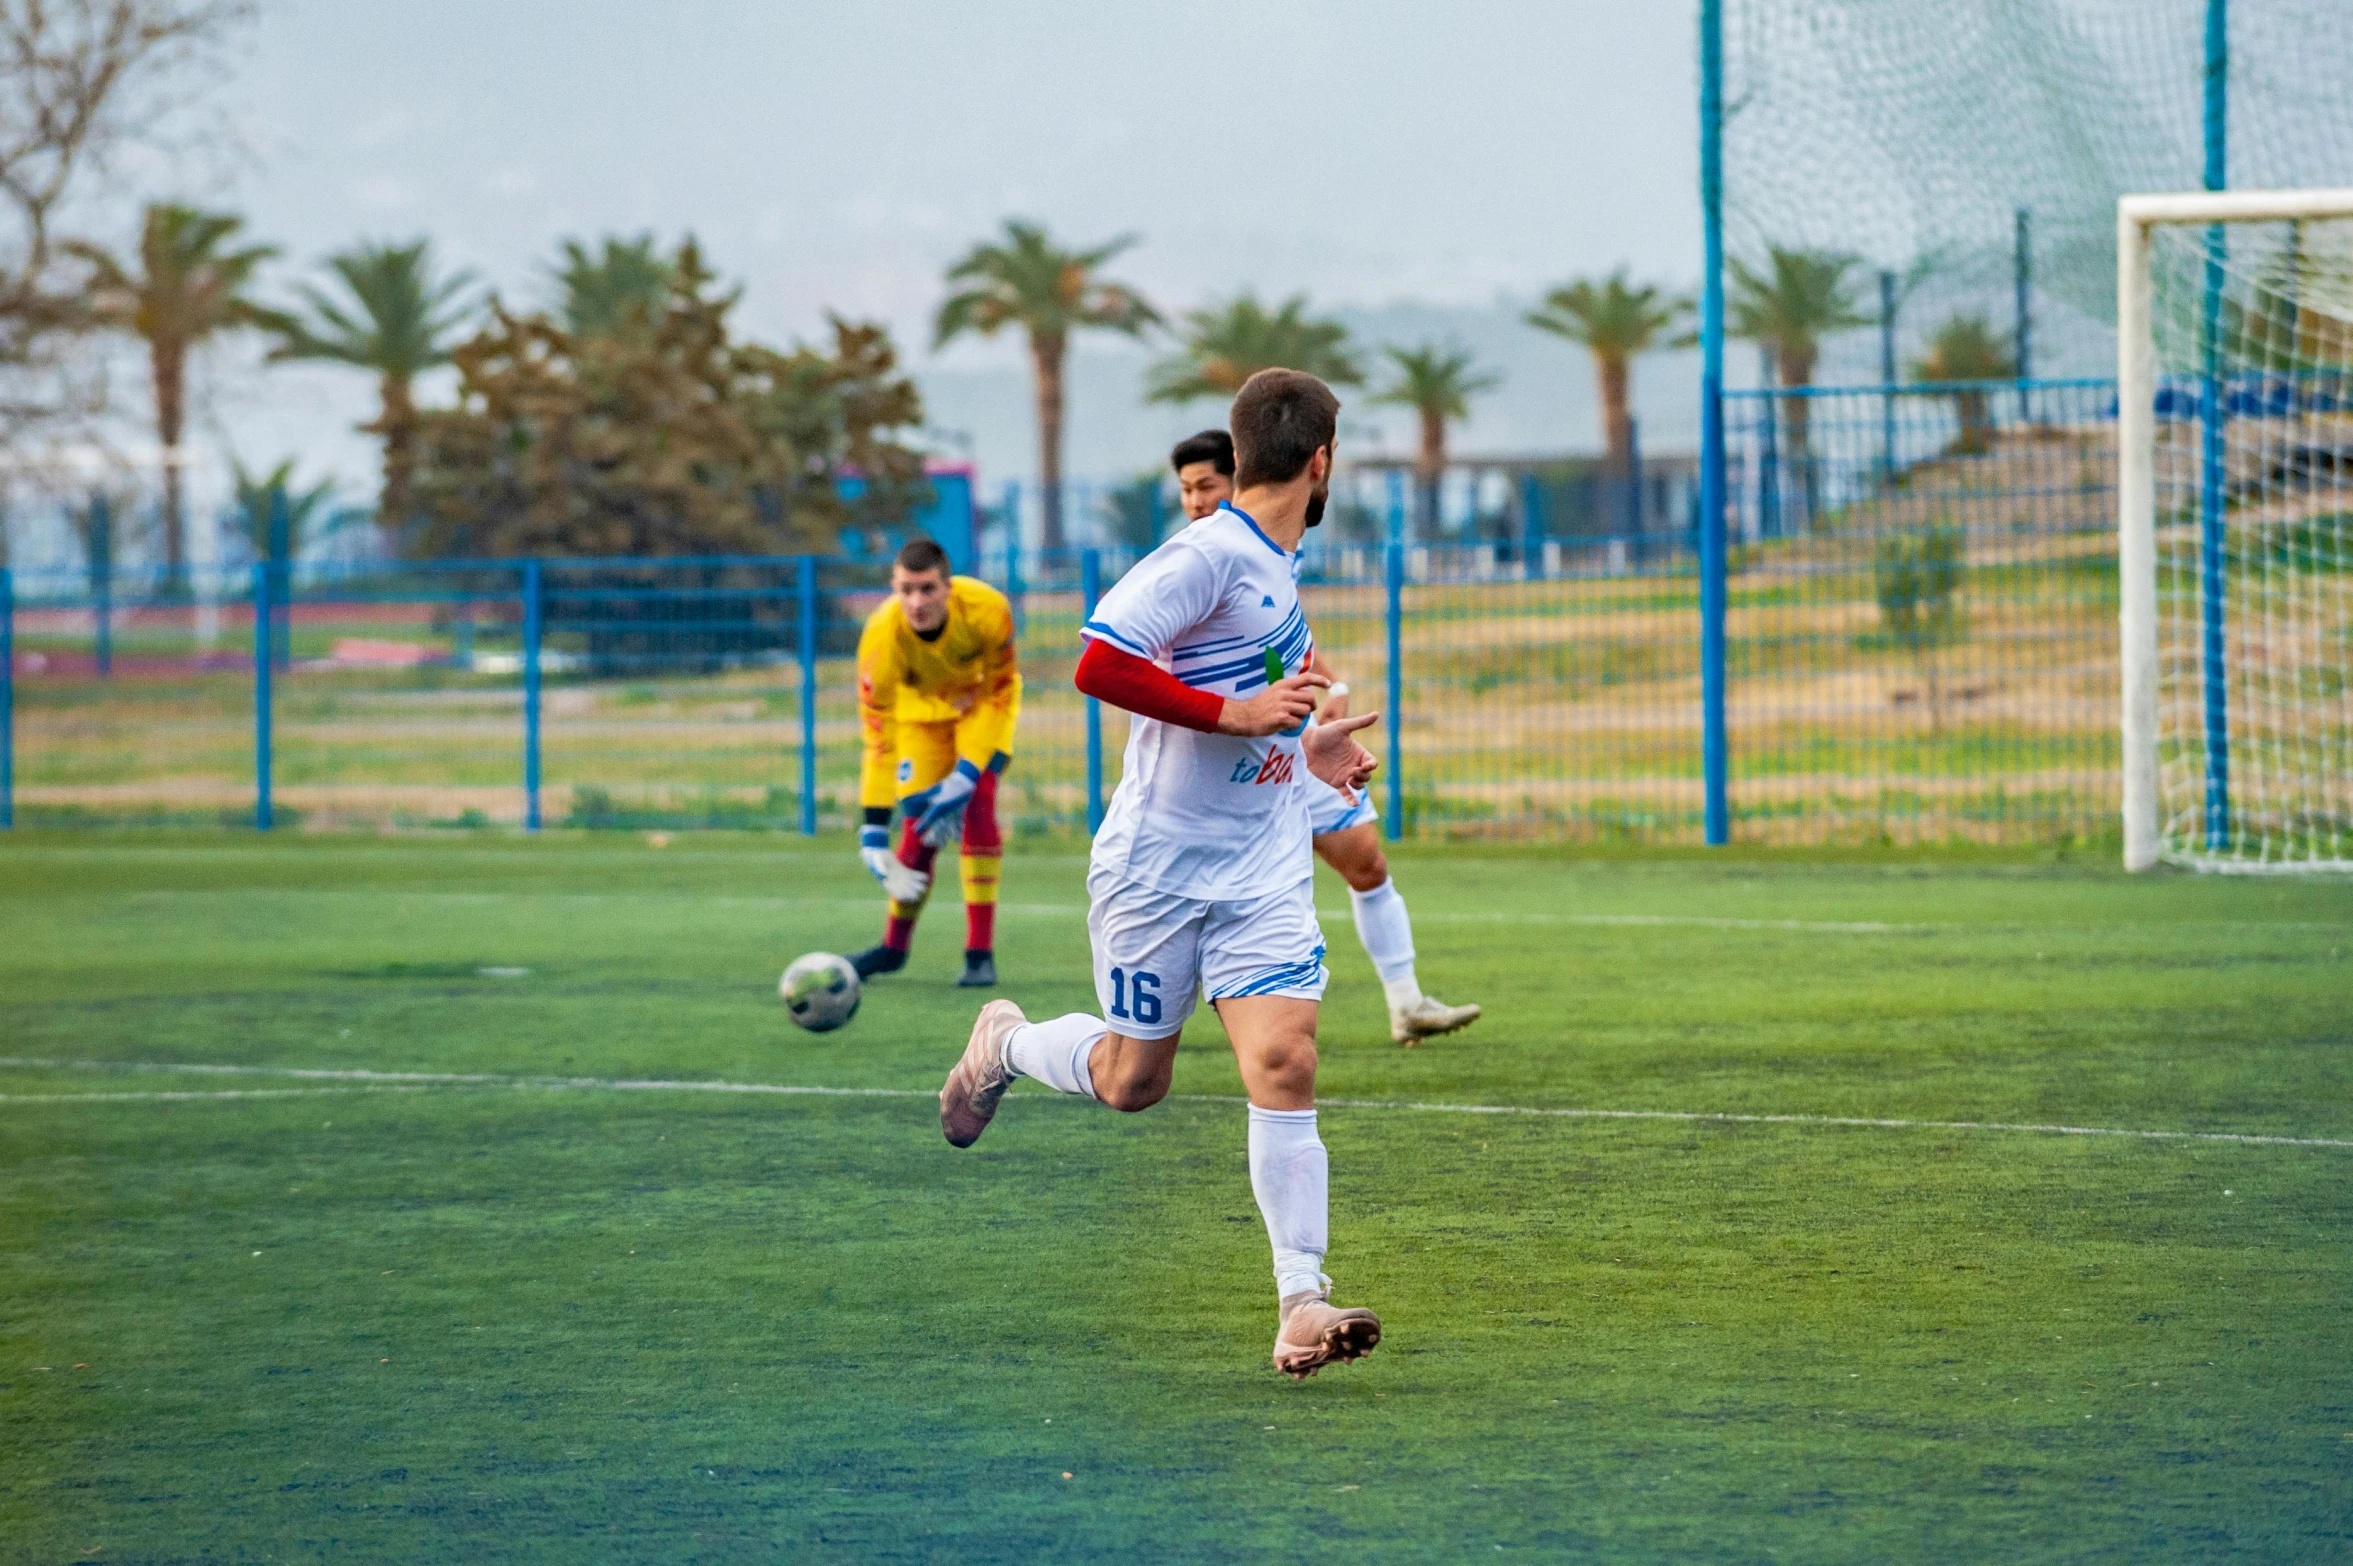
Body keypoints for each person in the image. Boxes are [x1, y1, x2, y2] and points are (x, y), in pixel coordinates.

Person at [939, 370, 1386, 1380]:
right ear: (1321, 464)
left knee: (1285, 1060)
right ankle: (1005, 1044)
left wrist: (1307, 758)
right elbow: (1098, 660)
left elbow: (1265, 703)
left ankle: (1299, 1301)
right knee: (1133, 1081)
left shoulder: (1277, 565)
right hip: (1158, 872)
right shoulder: (1207, 554)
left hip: (1261, 871)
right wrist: (1234, 718)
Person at [1169, 428, 1481, 1046]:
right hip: (1224, 762)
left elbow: (1280, 639)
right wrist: (1235, 712)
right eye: (1185, 490)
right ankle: (1185, 1017)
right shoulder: (1193, 562)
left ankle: (1406, 1002)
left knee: (1365, 862)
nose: (1196, 500)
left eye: (1206, 485)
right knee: (1223, 893)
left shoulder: (1274, 551)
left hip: (1290, 743)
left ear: (1239, 480)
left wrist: (1328, 690)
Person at [847, 538, 1021, 988]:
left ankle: (979, 953)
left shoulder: (987, 609)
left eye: (927, 589)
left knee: (978, 805)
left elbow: (1002, 690)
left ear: (949, 586)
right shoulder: (881, 639)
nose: (916, 602)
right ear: (893, 587)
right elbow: (879, 740)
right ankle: (892, 949)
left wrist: (966, 775)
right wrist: (871, 831)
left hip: (981, 710)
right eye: (906, 590)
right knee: (919, 826)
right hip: (920, 721)